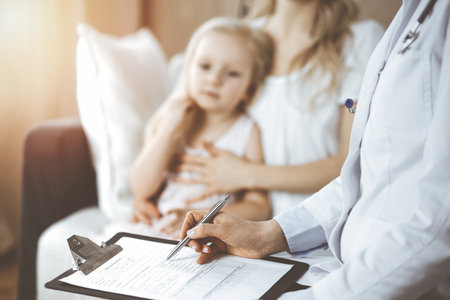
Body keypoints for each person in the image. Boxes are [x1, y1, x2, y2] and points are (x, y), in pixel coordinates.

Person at [180, 0, 450, 299]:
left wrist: (246, 175)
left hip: (381, 276)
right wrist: (268, 234)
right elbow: (366, 170)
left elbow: (438, 224)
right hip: (310, 255)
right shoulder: (413, 15)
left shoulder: (363, 39)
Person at [175, 0, 385, 217]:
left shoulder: (359, 40)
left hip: (323, 232)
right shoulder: (239, 39)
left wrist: (246, 174)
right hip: (241, 231)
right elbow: (180, 119)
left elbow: (353, 162)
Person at [128, 17, 274, 237]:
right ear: (188, 69)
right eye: (205, 66)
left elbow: (260, 206)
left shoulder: (246, 131)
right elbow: (141, 188)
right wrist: (168, 130)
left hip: (206, 235)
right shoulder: (171, 119)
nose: (214, 79)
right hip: (159, 226)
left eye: (232, 73)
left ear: (249, 89)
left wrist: (203, 215)